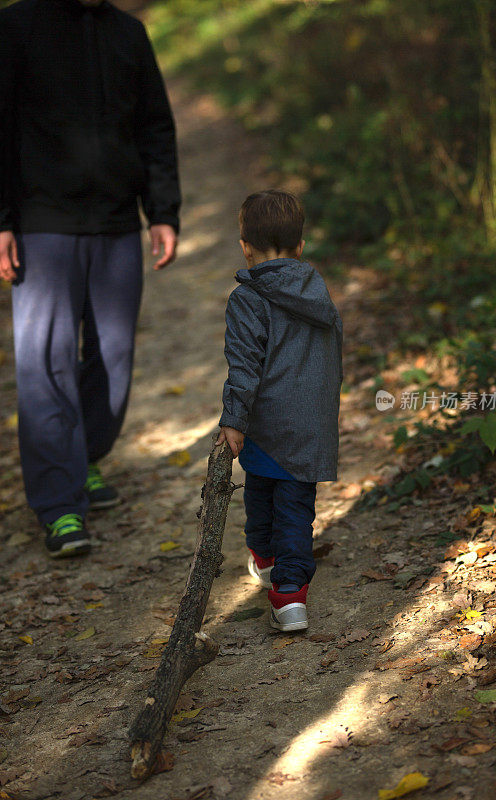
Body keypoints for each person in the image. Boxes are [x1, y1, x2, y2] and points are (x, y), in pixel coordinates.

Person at [0, 0, 181, 557]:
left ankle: (83, 457)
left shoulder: (128, 33)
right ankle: (59, 504)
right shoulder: (15, 26)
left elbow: (155, 124)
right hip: (42, 223)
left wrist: (164, 211)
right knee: (44, 361)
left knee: (114, 358)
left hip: (117, 223)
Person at [217, 190, 343, 631]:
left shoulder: (247, 299)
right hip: (309, 425)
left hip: (266, 424)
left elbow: (244, 366)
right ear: (300, 247)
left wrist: (233, 419)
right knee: (295, 511)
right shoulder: (318, 293)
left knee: (260, 496)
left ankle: (278, 577)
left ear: (246, 247)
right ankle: (288, 595)